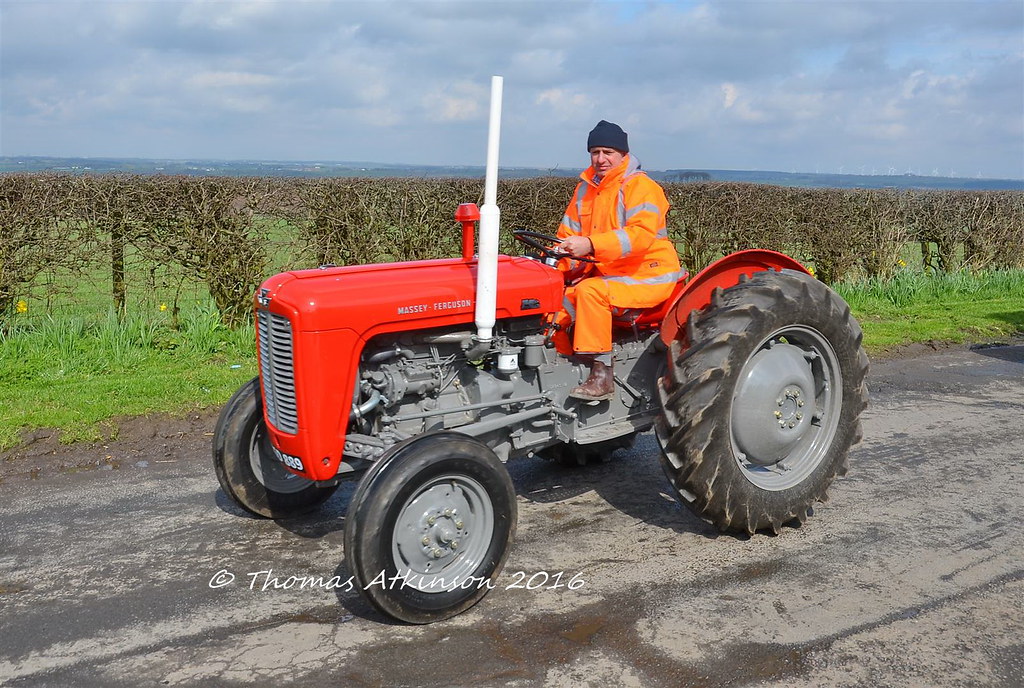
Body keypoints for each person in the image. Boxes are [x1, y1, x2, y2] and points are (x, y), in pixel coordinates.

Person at [552, 120, 682, 401]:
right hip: (611, 276)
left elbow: (640, 236)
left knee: (590, 292)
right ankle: (559, 369)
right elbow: (568, 235)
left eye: (608, 152)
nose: (600, 159)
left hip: (648, 276)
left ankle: (601, 375)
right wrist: (554, 266)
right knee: (554, 300)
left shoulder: (641, 187)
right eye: (595, 152)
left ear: (623, 155)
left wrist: (590, 244)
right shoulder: (585, 191)